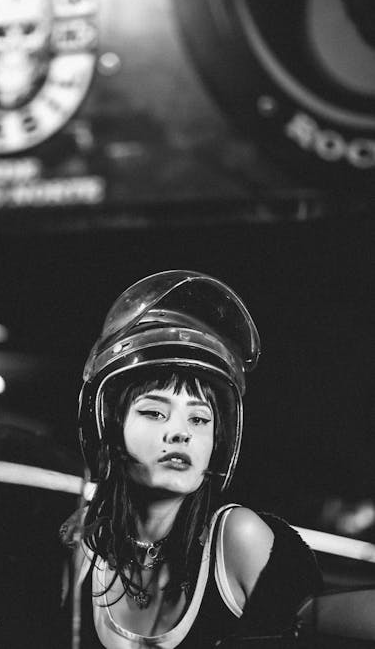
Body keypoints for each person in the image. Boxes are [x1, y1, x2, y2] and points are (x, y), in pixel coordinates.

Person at [61, 270, 322, 647]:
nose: (181, 433)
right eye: (154, 412)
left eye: (199, 419)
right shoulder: (81, 547)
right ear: (108, 426)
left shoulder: (238, 538)